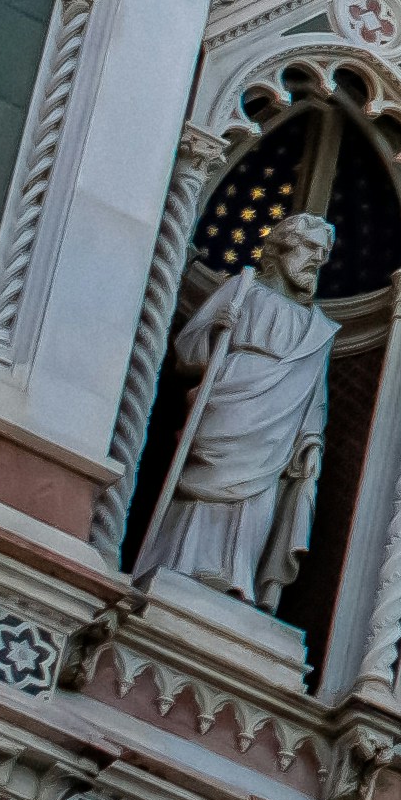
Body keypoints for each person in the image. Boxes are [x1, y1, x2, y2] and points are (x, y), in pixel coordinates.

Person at [140, 212, 344, 613]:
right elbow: (187, 349)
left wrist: (311, 440)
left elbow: (314, 393)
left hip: (278, 428)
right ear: (283, 247)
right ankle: (179, 564)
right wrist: (217, 328)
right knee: (204, 489)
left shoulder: (316, 328)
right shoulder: (242, 290)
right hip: (228, 403)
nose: (316, 260)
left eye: (323, 254)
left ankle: (235, 580)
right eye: (310, 248)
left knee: (257, 501)